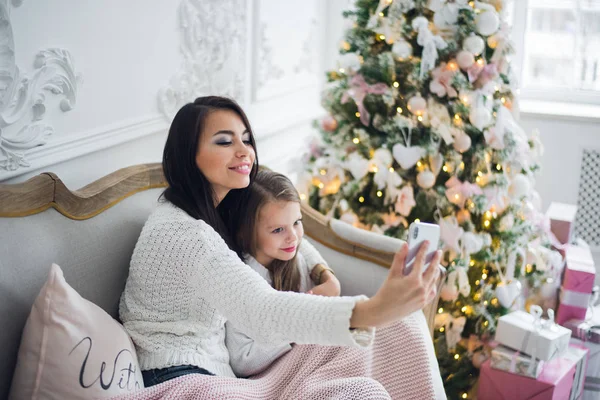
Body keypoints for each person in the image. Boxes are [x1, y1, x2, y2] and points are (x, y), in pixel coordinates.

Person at [119, 96, 441, 389]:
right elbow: (262, 308)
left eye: (245, 139)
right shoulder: (185, 234)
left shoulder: (220, 205)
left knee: (402, 328)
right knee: (361, 386)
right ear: (190, 156)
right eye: (224, 141)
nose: (244, 150)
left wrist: (320, 271)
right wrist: (371, 311)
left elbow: (290, 234)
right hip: (181, 379)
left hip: (223, 373)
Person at [225, 169, 342, 378]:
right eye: (278, 230)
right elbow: (241, 360)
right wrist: (295, 325)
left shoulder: (295, 260)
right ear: (245, 231)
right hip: (277, 377)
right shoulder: (242, 283)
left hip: (317, 363)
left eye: (296, 223)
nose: (293, 238)